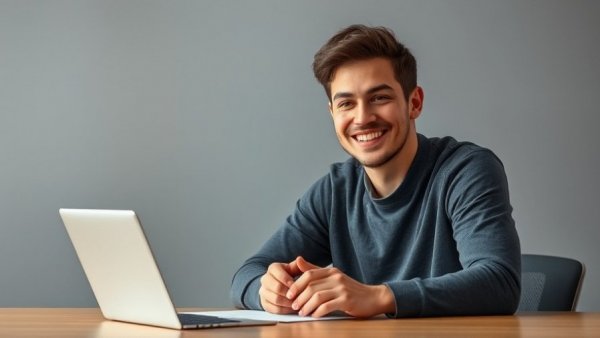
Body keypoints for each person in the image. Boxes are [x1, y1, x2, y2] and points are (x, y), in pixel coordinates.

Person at [230, 24, 521, 318]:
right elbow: (247, 274)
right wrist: (266, 291)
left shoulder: (465, 170)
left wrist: (379, 296)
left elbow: (499, 282)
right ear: (332, 112)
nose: (363, 118)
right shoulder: (335, 191)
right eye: (346, 103)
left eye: (379, 98)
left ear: (414, 102)